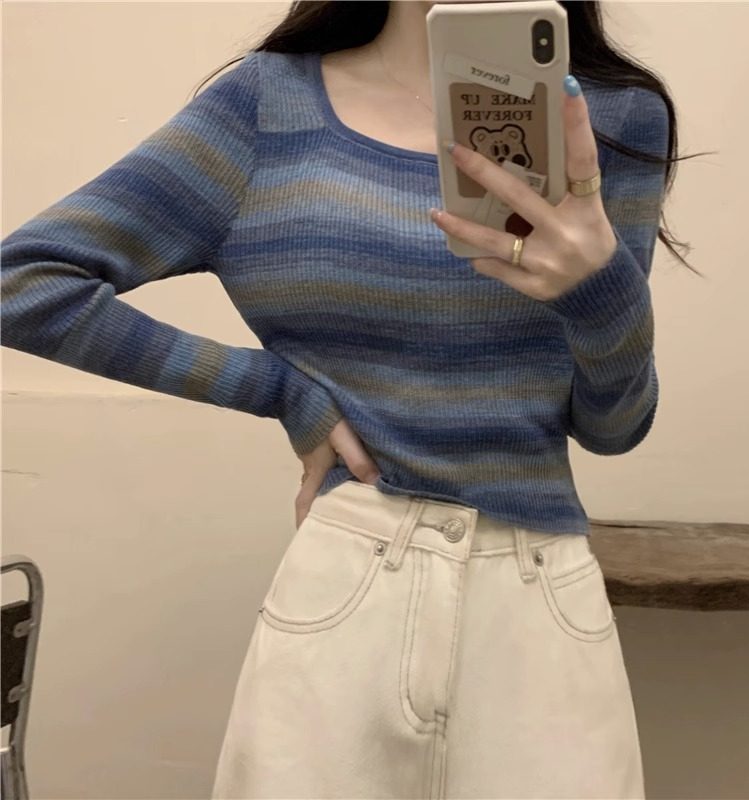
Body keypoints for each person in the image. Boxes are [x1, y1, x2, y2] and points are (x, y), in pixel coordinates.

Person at [1, 1, 691, 797]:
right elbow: (24, 284)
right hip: (350, 579)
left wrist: (602, 292)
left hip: (537, 600)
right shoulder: (265, 107)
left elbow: (614, 425)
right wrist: (276, 389)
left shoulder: (609, 117)